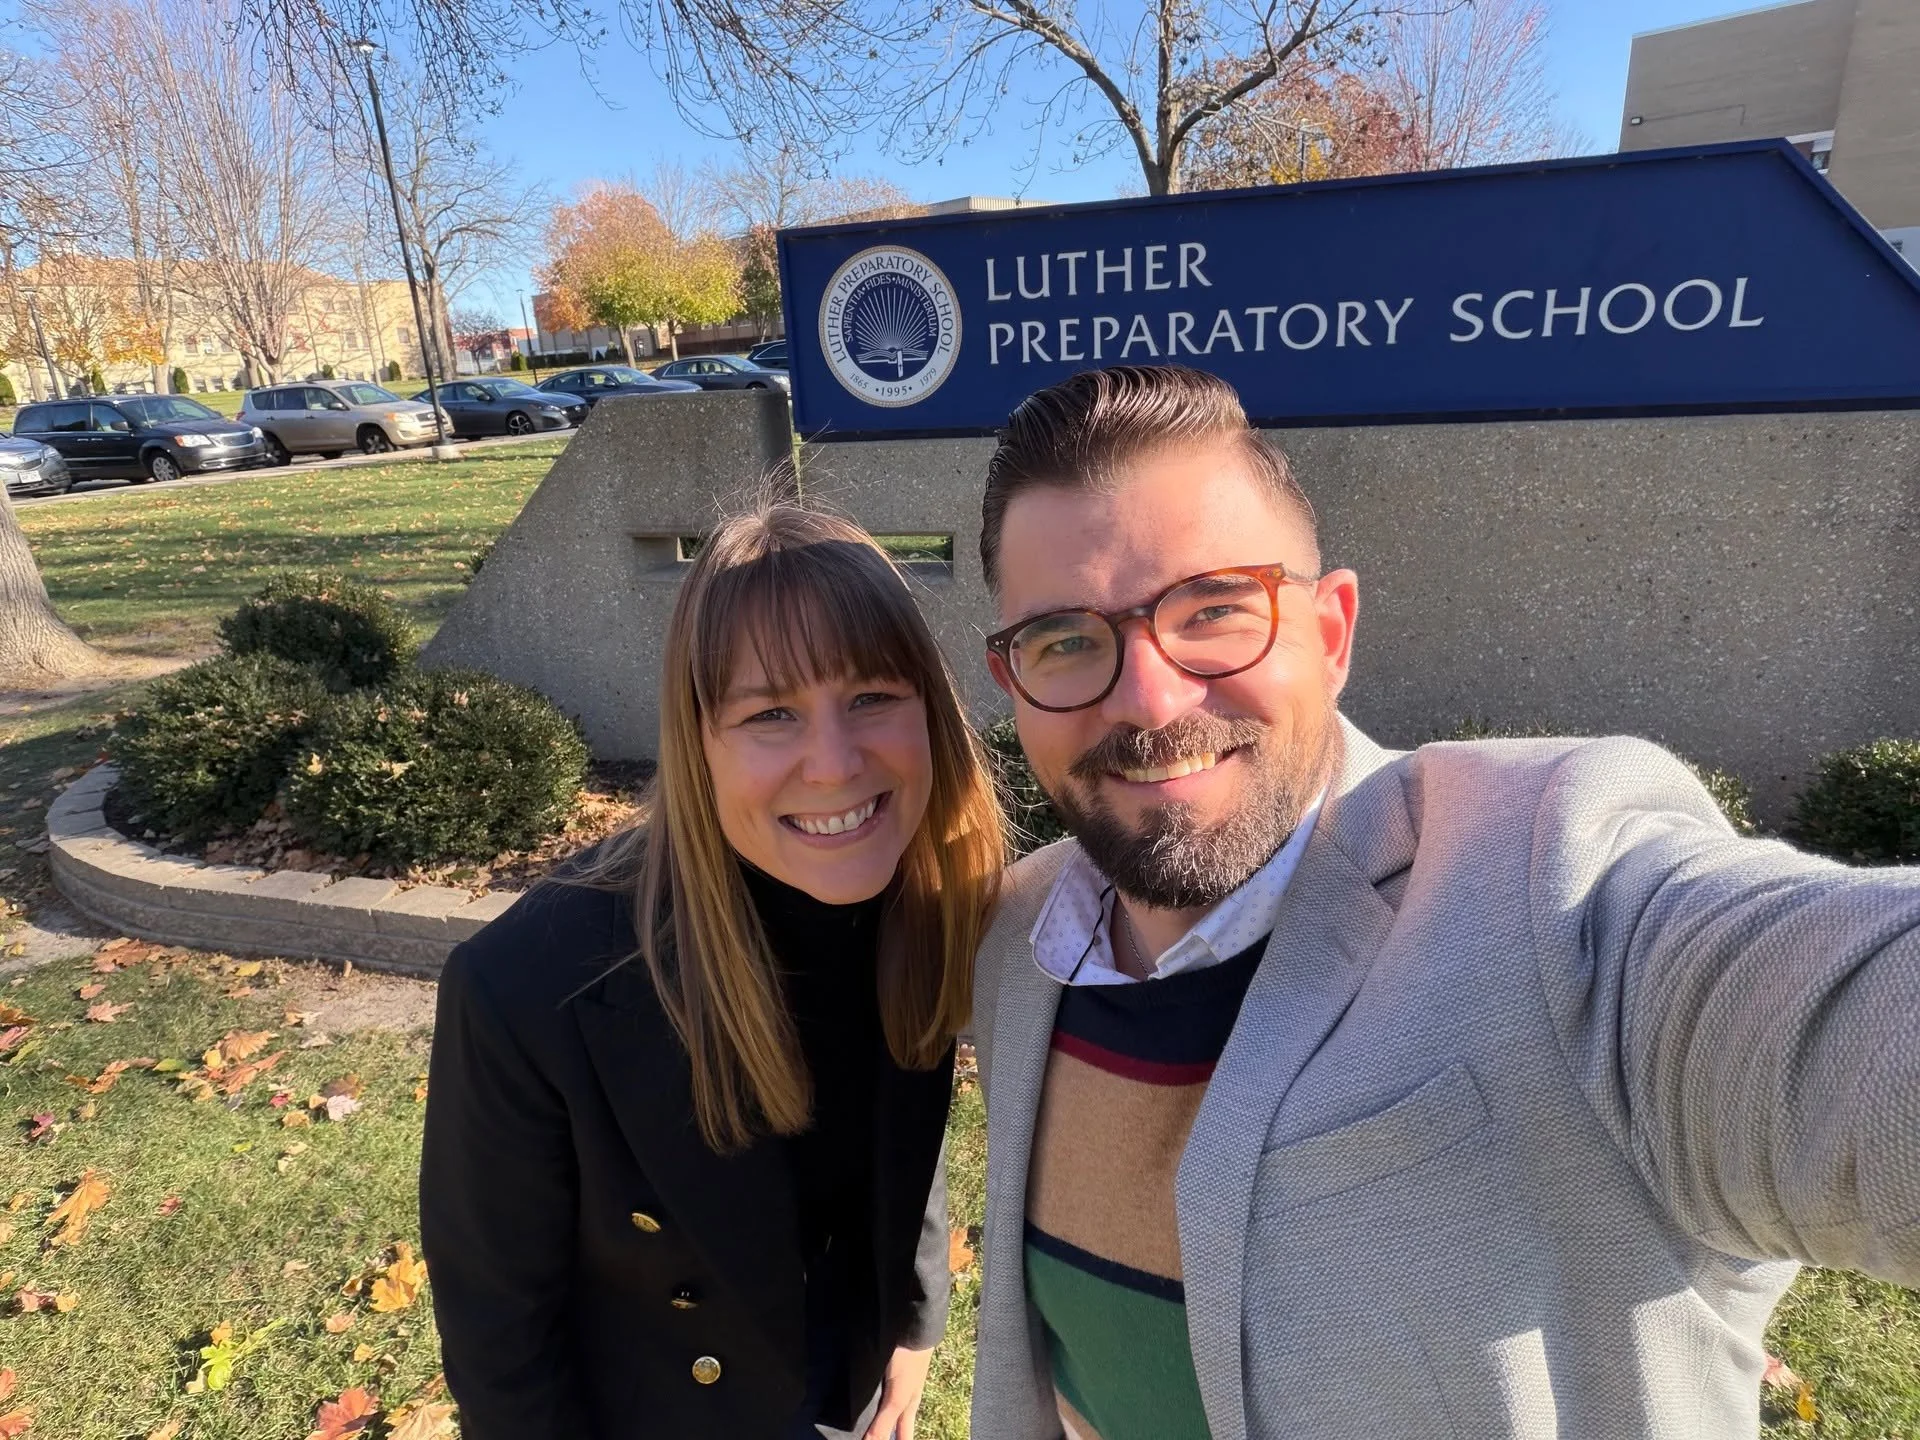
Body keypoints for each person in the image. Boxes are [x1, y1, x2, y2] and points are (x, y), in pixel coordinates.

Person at [966, 364, 1920, 1440]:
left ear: (1330, 634)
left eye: (1215, 610)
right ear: (1013, 685)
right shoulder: (1017, 942)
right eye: (1066, 640)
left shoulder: (1554, 888)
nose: (1148, 697)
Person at [421, 498, 1005, 1440]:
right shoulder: (527, 988)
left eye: (872, 698)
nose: (834, 763)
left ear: (931, 712)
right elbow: (500, 1338)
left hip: (844, 1377)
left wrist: (911, 1322)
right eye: (771, 712)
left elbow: (905, 1136)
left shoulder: (925, 900)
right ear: (699, 745)